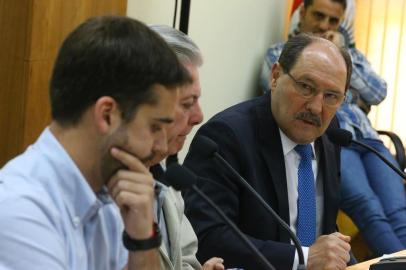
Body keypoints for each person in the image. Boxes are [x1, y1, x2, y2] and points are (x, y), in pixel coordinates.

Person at [0, 16, 191, 270]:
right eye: (155, 127)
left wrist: (143, 238)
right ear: (107, 114)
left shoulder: (110, 194)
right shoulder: (20, 209)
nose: (161, 147)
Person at [184, 34, 353, 269]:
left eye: (331, 96)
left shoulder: (329, 132)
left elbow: (322, 229)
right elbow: (208, 236)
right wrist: (302, 258)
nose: (316, 107)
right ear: (275, 76)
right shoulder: (226, 137)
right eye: (305, 87)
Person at [260, 0, 406, 256]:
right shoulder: (283, 53)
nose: (324, 25)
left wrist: (340, 53)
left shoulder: (350, 53)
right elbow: (278, 97)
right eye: (318, 15)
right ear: (302, 12)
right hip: (333, 140)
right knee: (369, 208)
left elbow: (378, 92)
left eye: (333, 20)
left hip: (367, 140)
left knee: (398, 210)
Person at [147, 25, 224, 270]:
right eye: (187, 103)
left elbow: (183, 258)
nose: (199, 116)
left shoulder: (166, 180)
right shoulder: (93, 197)